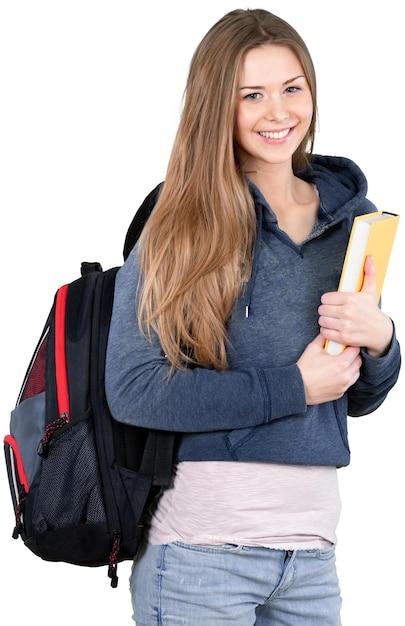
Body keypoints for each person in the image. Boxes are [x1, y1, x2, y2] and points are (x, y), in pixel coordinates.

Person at [105, 8, 401, 625]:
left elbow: (356, 396)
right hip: (199, 557)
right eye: (252, 95)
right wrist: (293, 386)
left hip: (313, 558)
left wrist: (382, 343)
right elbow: (133, 390)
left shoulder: (354, 220)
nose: (278, 112)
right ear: (218, 106)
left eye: (293, 88)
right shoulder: (179, 223)